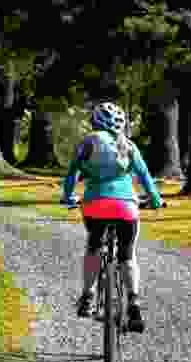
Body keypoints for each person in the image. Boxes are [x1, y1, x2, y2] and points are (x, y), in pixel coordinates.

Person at [60, 101, 164, 333]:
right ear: (121, 124)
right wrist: (155, 200)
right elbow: (145, 176)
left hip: (94, 206)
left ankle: (87, 296)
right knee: (127, 254)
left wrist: (68, 197)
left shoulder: (87, 143)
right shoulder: (128, 145)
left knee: (93, 246)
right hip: (126, 207)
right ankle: (134, 305)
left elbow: (71, 175)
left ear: (94, 122)